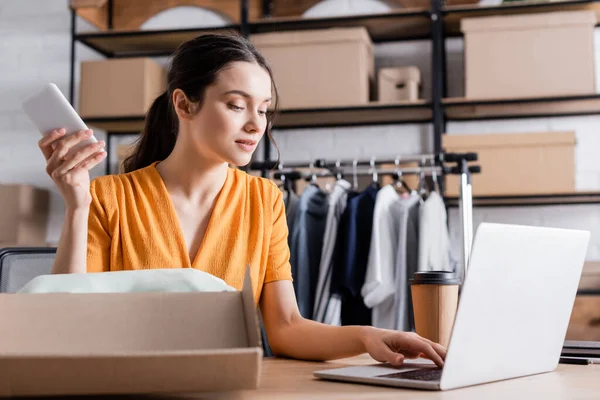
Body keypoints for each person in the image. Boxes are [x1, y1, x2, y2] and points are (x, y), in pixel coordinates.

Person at [38, 32, 446, 368]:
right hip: (130, 386)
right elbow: (66, 324)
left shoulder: (264, 199)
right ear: (184, 103)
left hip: (228, 387)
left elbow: (285, 327)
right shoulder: (109, 197)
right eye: (236, 105)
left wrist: (369, 336)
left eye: (264, 110)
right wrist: (77, 204)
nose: (256, 125)